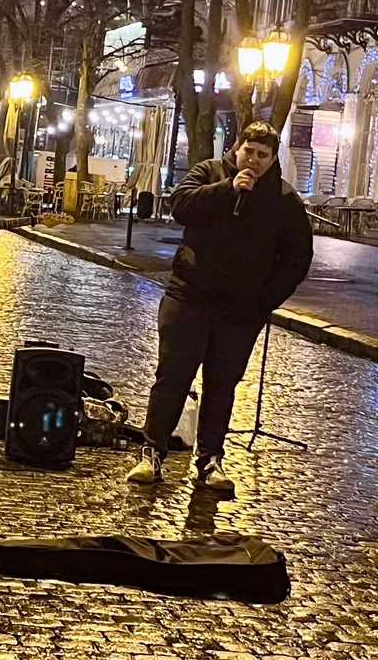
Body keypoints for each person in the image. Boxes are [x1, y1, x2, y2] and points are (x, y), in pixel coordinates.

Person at [126, 121, 313, 491]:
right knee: (173, 377)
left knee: (222, 385)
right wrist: (229, 189)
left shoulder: (284, 199)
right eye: (249, 152)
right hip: (189, 298)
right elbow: (182, 207)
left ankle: (210, 460)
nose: (254, 160)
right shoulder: (208, 173)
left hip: (240, 312)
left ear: (272, 158)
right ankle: (152, 452)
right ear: (237, 147)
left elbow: (297, 259)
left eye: (263, 155)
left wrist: (263, 301)